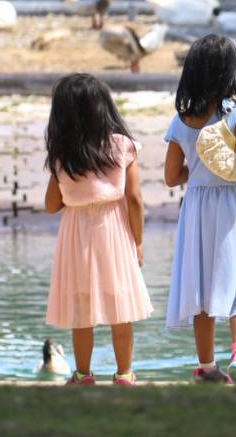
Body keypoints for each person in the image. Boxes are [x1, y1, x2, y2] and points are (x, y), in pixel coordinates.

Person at [163, 34, 236, 385]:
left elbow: (170, 176)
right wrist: (235, 161)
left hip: (198, 205)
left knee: (202, 284)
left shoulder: (182, 118)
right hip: (233, 203)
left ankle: (206, 366)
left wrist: (197, 171)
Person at [44, 73, 152, 386]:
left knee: (82, 308)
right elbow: (134, 199)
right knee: (121, 305)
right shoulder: (123, 146)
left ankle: (83, 374)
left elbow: (52, 204)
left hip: (77, 233)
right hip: (115, 231)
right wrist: (139, 242)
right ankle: (124, 373)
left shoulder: (63, 154)